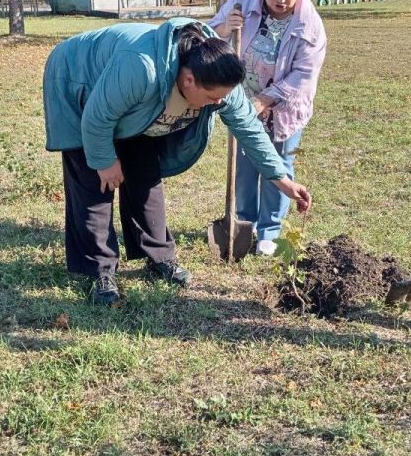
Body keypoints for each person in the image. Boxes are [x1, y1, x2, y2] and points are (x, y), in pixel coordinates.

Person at [43, 18, 312, 305]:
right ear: (188, 80)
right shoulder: (141, 68)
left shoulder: (216, 74)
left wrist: (281, 179)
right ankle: (99, 271)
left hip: (134, 105)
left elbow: (249, 128)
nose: (218, 104)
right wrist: (105, 161)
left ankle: (158, 256)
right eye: (212, 98)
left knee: (145, 176)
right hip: (78, 80)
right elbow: (96, 118)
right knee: (94, 184)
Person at [209, 0, 326, 255]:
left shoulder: (308, 23)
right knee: (245, 163)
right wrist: (224, 29)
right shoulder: (243, 0)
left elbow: (304, 74)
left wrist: (266, 99)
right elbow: (209, 36)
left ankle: (269, 232)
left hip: (285, 107)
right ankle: (243, 223)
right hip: (242, 100)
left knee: (279, 164)